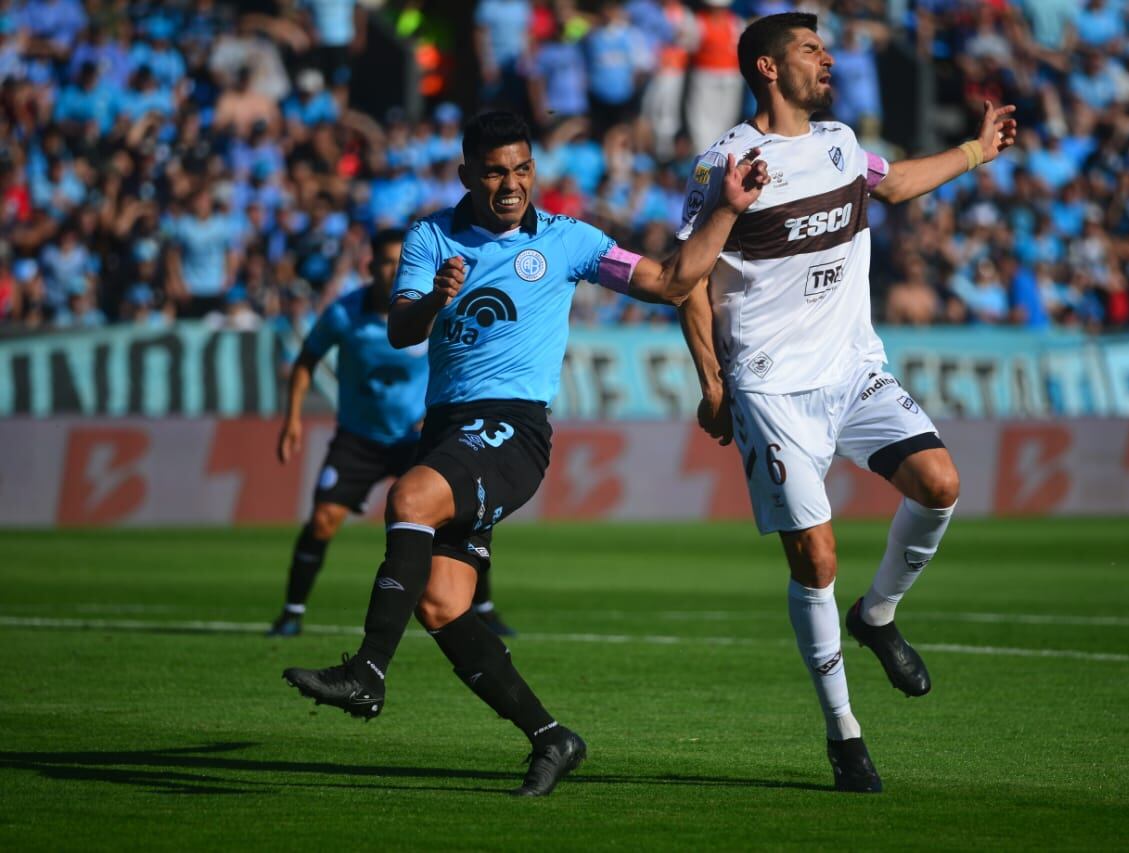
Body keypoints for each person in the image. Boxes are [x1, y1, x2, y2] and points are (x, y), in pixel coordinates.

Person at [283, 111, 769, 797]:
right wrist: (432, 305)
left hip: (514, 429)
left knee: (409, 498)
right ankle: (552, 736)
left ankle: (368, 670)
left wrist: (725, 208)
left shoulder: (570, 241)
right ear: (465, 175)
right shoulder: (430, 237)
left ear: (533, 170)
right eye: (493, 171)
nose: (510, 184)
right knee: (444, 604)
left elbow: (667, 281)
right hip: (448, 428)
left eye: (521, 169)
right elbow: (399, 328)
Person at [675, 13, 1016, 793]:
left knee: (940, 484)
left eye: (824, 47)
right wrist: (714, 384)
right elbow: (689, 276)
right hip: (770, 386)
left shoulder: (838, 141)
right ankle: (845, 732)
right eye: (809, 49)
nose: (826, 58)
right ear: (767, 67)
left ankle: (879, 615)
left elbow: (892, 183)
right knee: (817, 557)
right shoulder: (724, 162)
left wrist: (975, 150)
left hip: (853, 368)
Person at [269, 229, 518, 638]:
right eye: (385, 262)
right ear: (370, 268)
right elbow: (306, 361)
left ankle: (484, 609)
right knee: (321, 521)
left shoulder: (434, 309)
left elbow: (465, 358)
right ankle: (291, 612)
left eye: (400, 262)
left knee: (457, 522)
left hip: (417, 439)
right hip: (358, 439)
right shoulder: (344, 314)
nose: (393, 270)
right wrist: (292, 420)